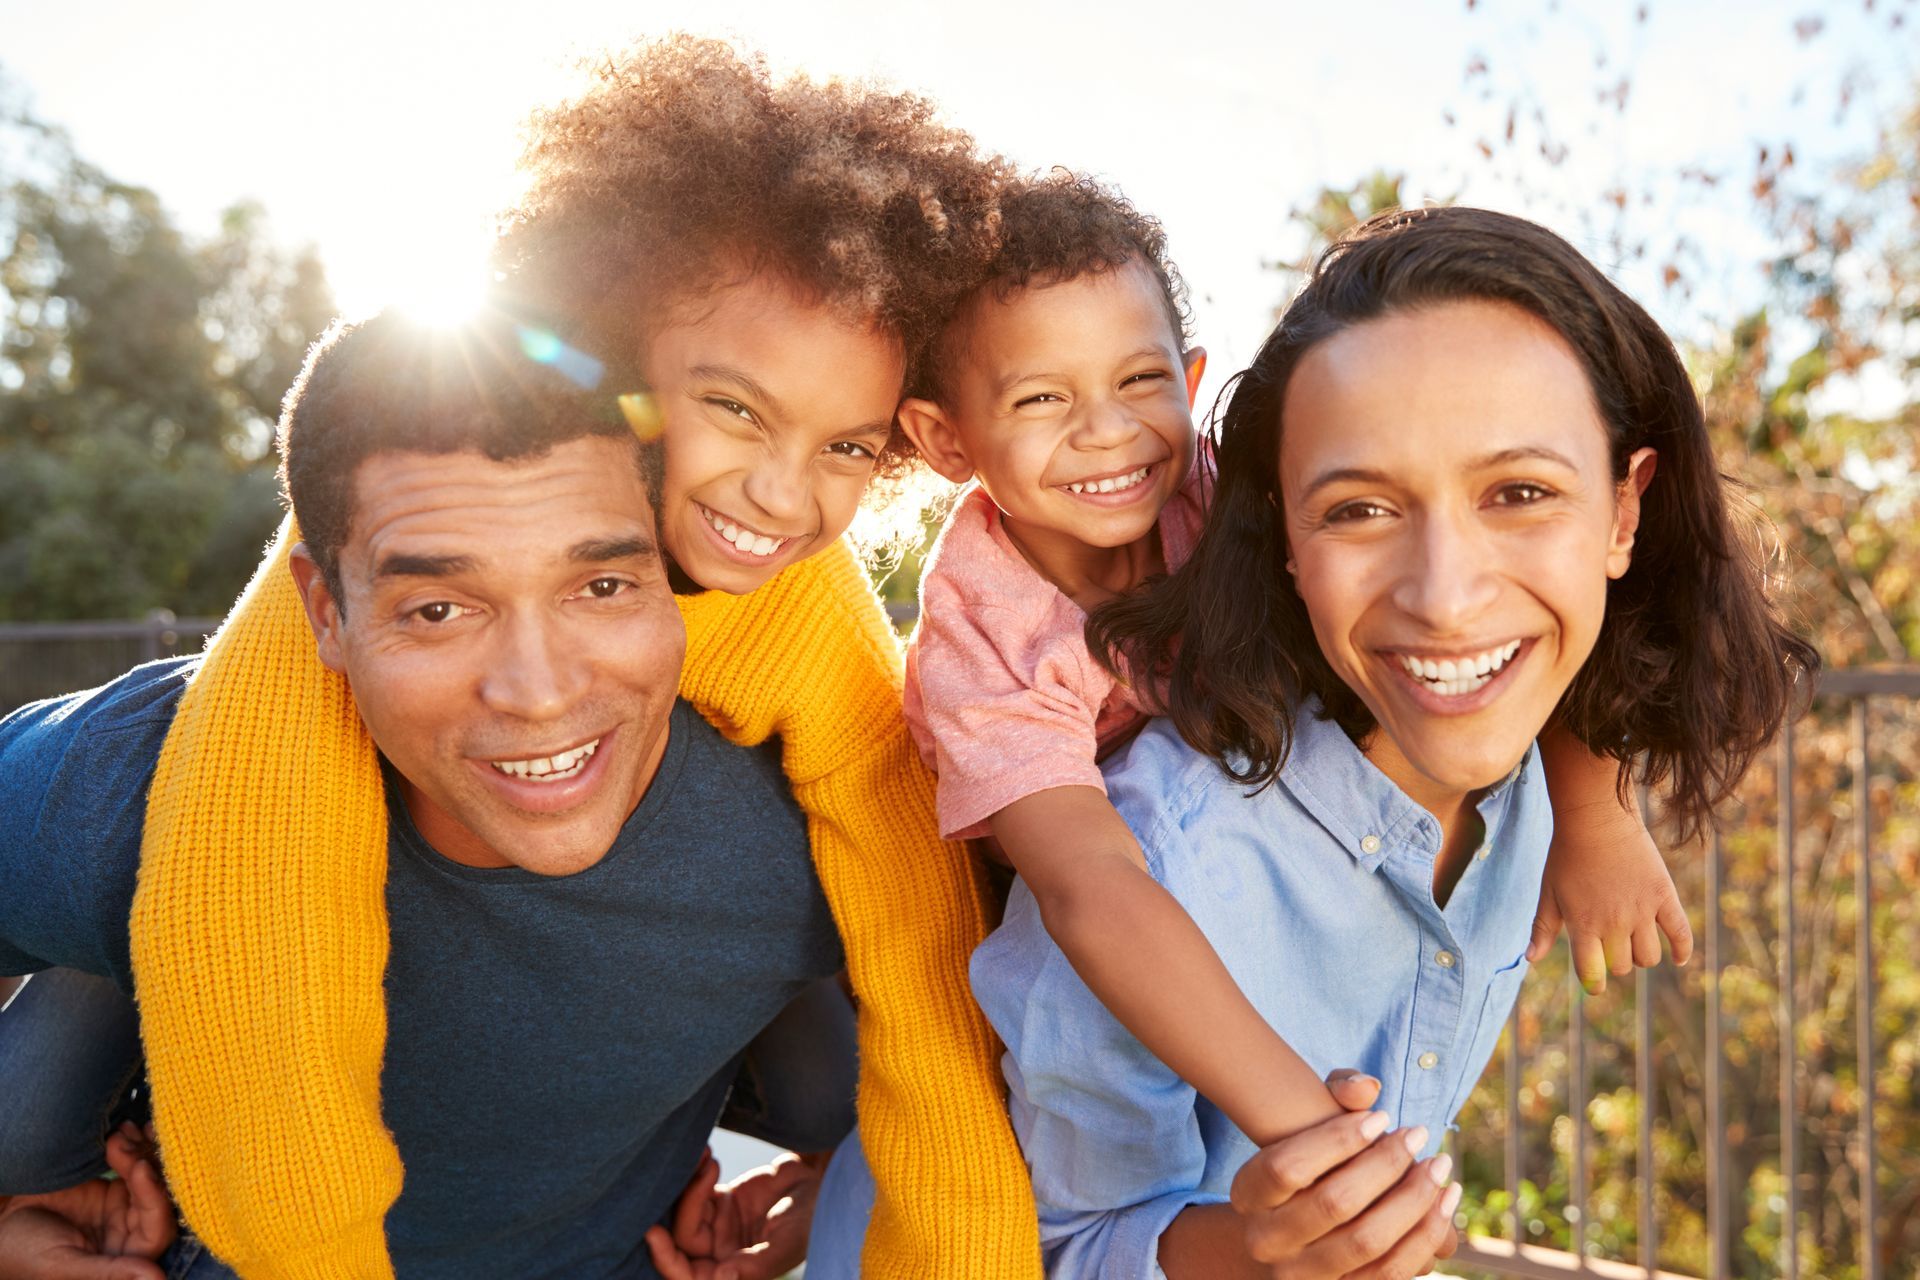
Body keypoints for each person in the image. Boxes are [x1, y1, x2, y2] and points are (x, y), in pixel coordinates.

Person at [1, 38, 1041, 1280]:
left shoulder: (813, 751)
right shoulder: (163, 766)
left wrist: (855, 1185)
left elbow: (941, 976)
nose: (776, 492)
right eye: (441, 608)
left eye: (849, 448)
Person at [960, 205, 1814, 1277]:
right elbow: (1047, 1247)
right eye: (1360, 509)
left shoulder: (1539, 772)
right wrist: (1250, 1253)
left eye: (1520, 493)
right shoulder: (1165, 864)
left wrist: (1600, 807)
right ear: (1283, 541)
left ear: (1624, 512)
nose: (1447, 598)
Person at [0, 311, 863, 1280]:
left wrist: (849, 1183)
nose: (538, 690)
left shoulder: (810, 815)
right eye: (439, 608)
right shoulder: (144, 780)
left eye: (604, 585)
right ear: (326, 612)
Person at [885, 175, 1690, 1150]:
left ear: (1189, 384)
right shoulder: (986, 645)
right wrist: (1306, 1129)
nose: (1105, 430)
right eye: (1042, 396)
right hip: (1041, 894)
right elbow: (1092, 890)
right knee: (963, 1112)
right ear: (942, 436)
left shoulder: (1215, 493)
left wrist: (1597, 811)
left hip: (1234, 838)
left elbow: (1487, 621)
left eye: (1138, 382)